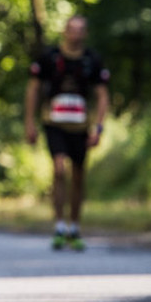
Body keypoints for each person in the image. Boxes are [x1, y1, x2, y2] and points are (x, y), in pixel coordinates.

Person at [24, 15, 110, 252]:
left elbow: (103, 95)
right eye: (72, 29)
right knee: (59, 168)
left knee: (79, 175)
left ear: (85, 33)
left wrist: (99, 127)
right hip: (54, 123)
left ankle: (75, 227)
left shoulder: (92, 60)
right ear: (65, 31)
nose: (75, 34)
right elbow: (33, 90)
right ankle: (59, 225)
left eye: (80, 29)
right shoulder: (50, 57)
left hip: (81, 127)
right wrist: (29, 123)